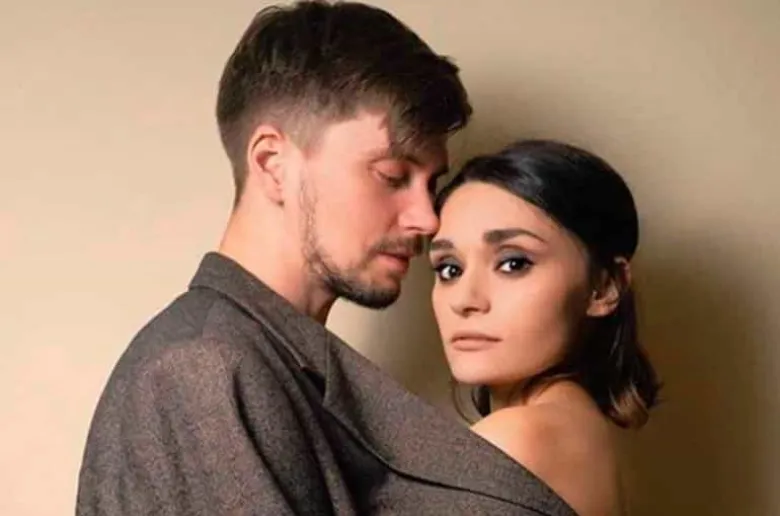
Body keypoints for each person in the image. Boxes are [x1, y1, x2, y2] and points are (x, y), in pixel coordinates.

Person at [76, 2, 576, 515]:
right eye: (392, 176)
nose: (427, 219)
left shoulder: (281, 363)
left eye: (431, 185)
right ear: (273, 164)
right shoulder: (203, 370)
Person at [429, 139, 662, 516]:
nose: (464, 300)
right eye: (449, 269)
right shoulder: (595, 436)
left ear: (604, 286)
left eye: (514, 263)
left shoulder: (515, 440)